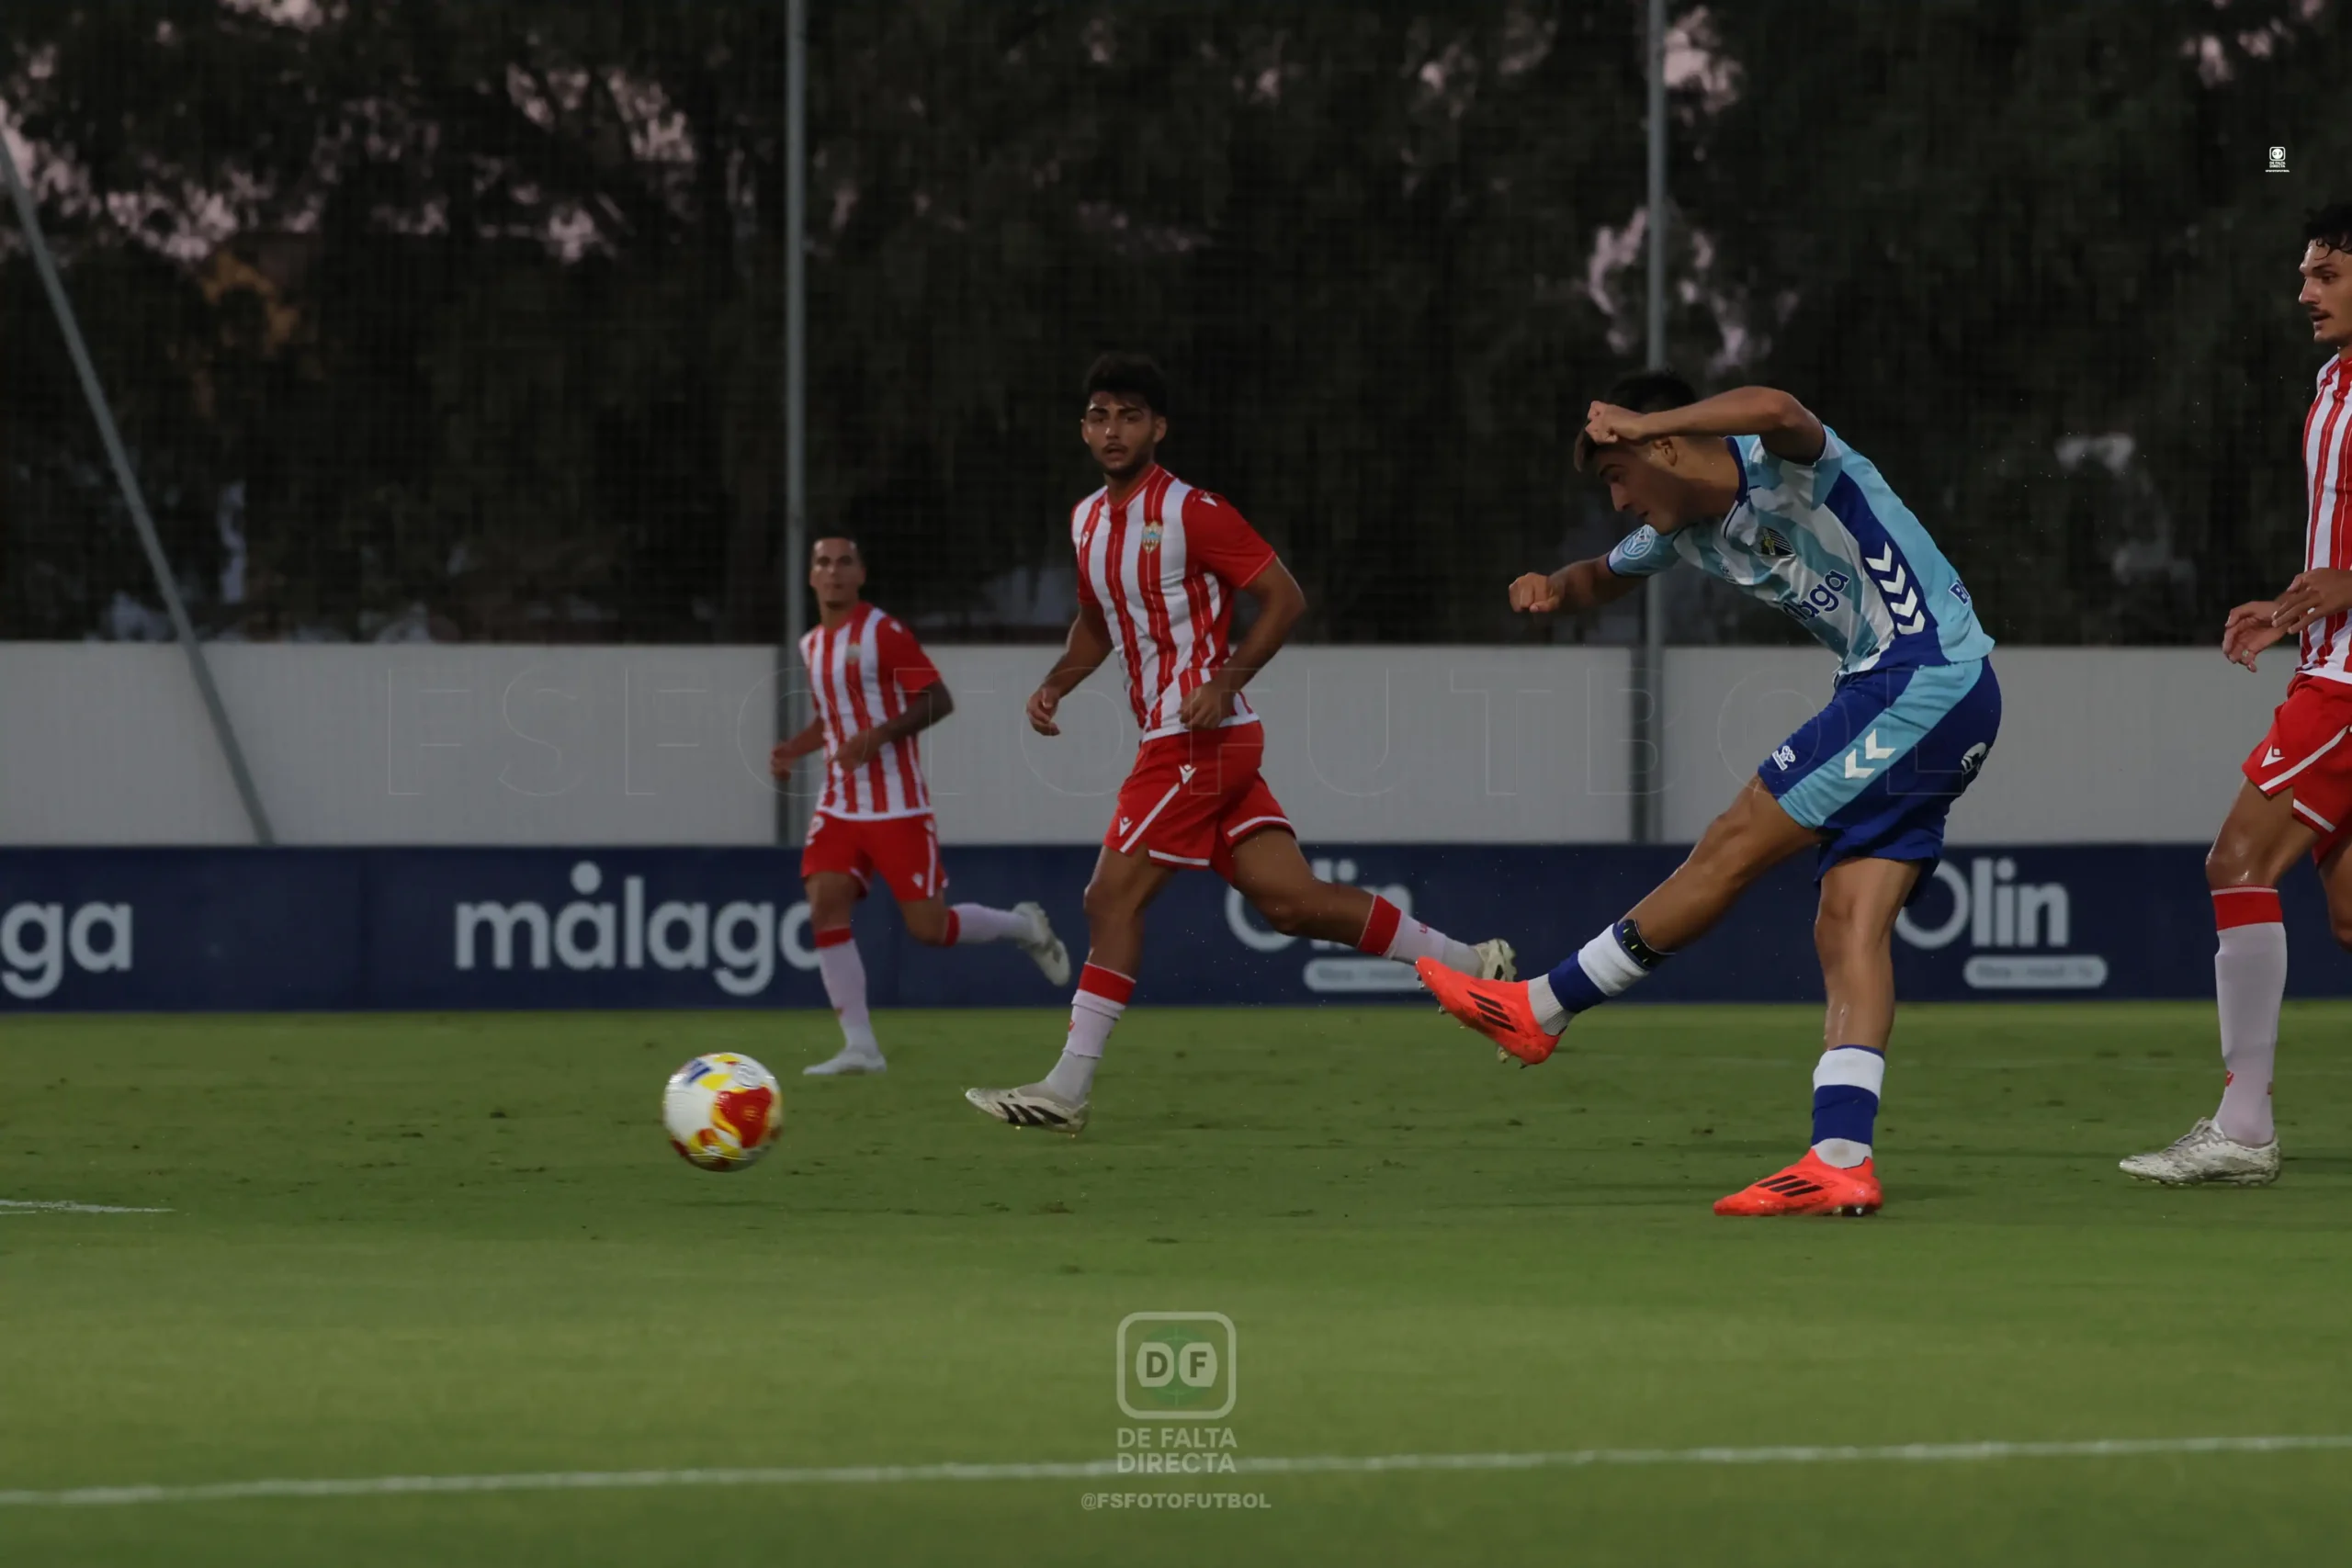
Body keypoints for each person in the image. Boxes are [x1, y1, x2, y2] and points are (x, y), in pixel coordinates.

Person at [1418, 373, 1999, 1217]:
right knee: (1847, 924)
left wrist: (1647, 417)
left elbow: (1776, 405)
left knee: (1732, 842)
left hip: (1920, 680)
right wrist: (1549, 586)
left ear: (1663, 447)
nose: (1616, 501)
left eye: (1618, 476)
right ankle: (1840, 1158)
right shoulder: (1681, 534)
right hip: (1941, 700)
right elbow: (1597, 578)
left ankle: (1542, 1007)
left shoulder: (1790, 463)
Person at [963, 353, 1515, 1134]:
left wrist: (1222, 679)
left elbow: (1284, 598)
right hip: (1190, 743)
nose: (1112, 429)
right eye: (1098, 414)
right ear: (1084, 429)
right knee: (1291, 902)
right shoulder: (1086, 520)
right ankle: (1479, 969)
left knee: (1106, 898)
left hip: (1200, 740)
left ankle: (1068, 1088)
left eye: (1129, 414)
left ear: (1159, 426)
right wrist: (1058, 681)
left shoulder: (1193, 511)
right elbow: (1097, 621)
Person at [2121, 201, 2352, 1186]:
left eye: (2328, 274)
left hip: (2348, 685)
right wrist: (2298, 603)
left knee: (2236, 859)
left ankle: (2244, 1124)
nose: (2304, 290)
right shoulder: (2334, 379)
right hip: (2330, 656)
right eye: (2306, 274)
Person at [772, 536, 1069, 1076]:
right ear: (811, 577)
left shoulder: (882, 632)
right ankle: (860, 1046)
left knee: (929, 929)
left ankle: (1024, 927)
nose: (833, 571)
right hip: (839, 803)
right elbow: (833, 717)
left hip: (897, 805)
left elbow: (938, 699)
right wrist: (795, 748)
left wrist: (879, 737)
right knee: (824, 903)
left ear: (861, 574)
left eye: (844, 562)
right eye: (822, 562)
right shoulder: (811, 644)